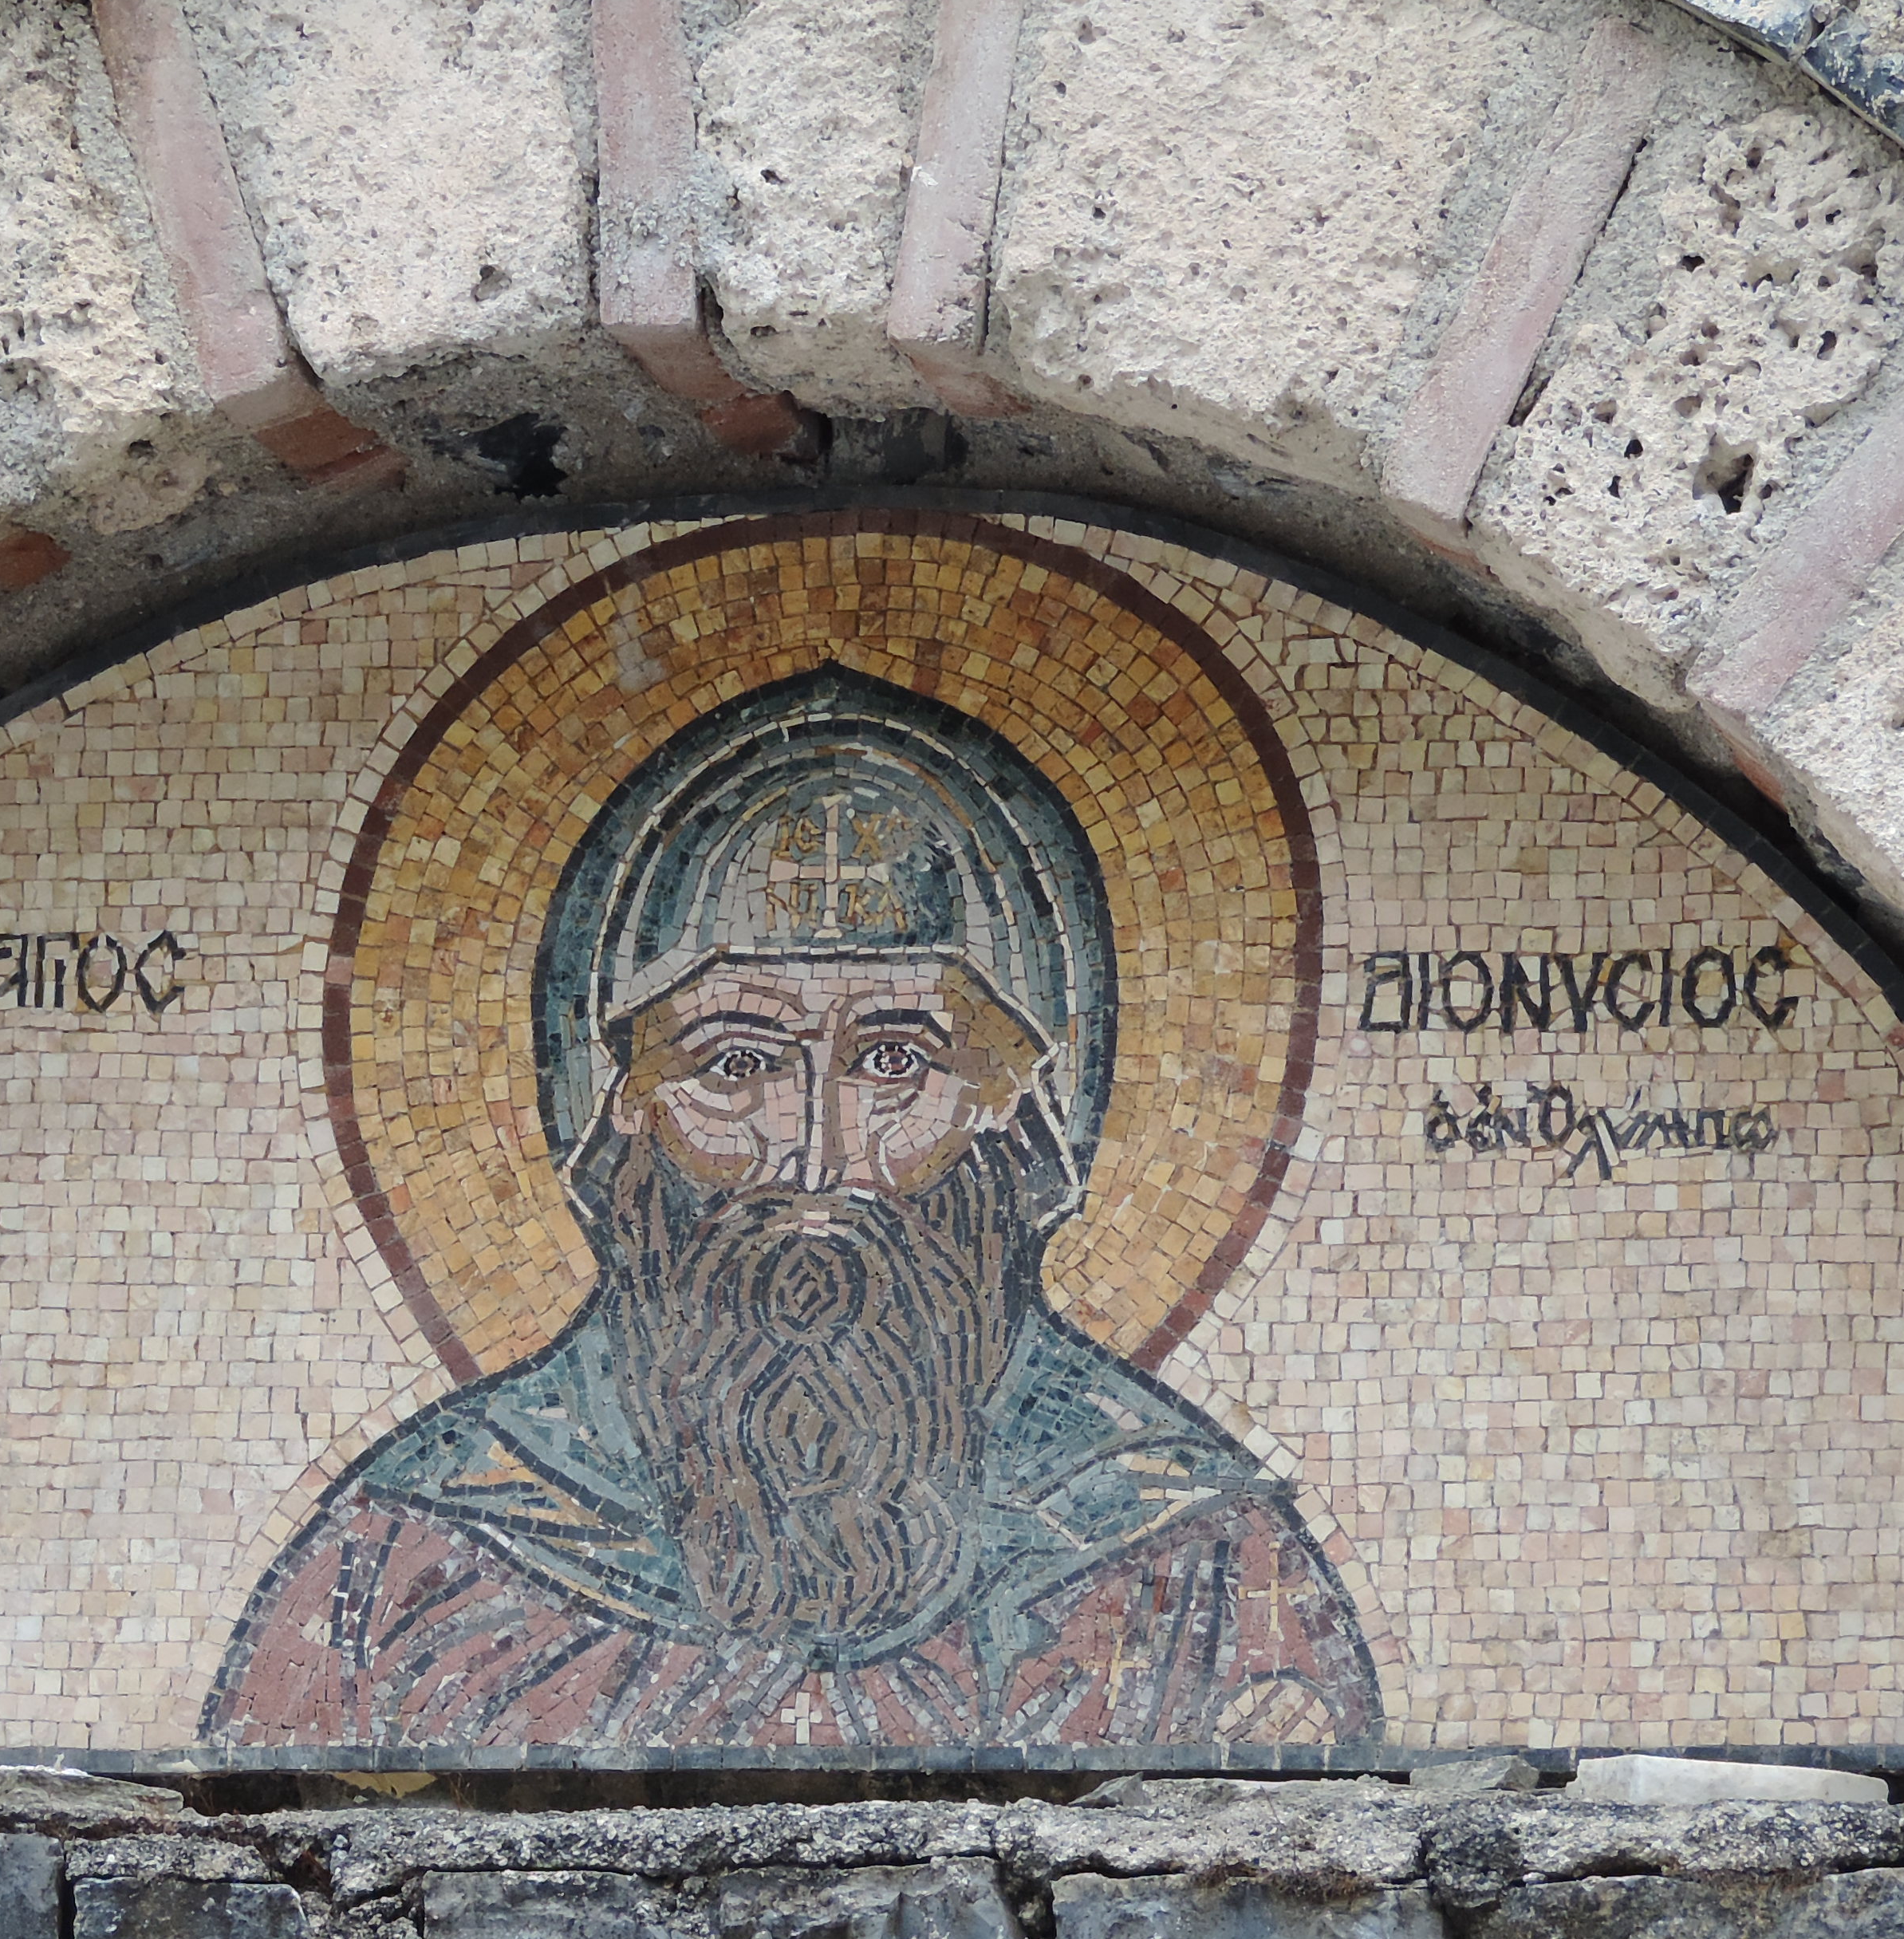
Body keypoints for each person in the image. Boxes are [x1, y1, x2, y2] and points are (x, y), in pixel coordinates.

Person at [204, 667, 1381, 1756]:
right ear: (617, 1115)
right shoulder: (410, 1556)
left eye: (893, 1061)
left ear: (1019, 1117)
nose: (814, 1158)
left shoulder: (1196, 1560)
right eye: (735, 1064)